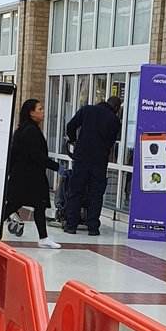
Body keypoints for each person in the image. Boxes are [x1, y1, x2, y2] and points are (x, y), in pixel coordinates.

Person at [3, 98, 61, 250]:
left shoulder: (26, 128)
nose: (43, 112)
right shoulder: (30, 131)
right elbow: (36, 155)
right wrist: (56, 167)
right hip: (27, 177)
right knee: (15, 205)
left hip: (26, 176)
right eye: (40, 109)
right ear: (31, 113)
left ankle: (44, 238)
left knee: (38, 206)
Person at [63, 93, 122, 236]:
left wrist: (74, 140)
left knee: (75, 191)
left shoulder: (87, 110)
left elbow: (70, 126)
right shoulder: (115, 121)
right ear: (116, 108)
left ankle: (71, 225)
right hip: (99, 162)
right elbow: (111, 142)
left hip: (82, 159)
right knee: (96, 194)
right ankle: (93, 227)